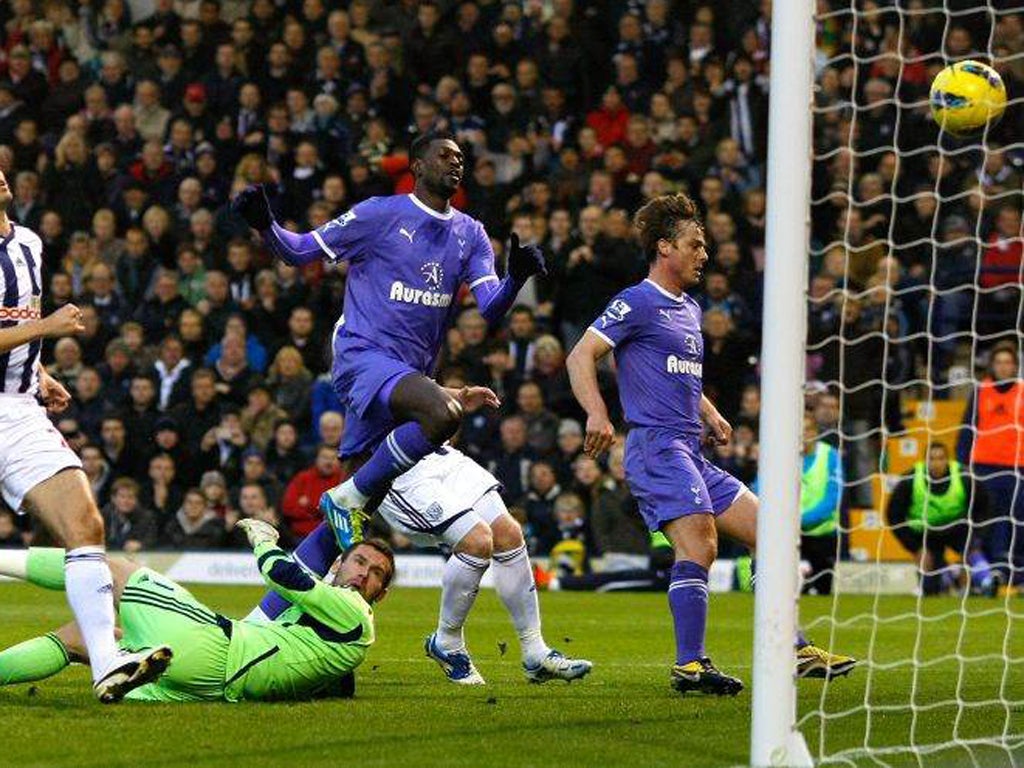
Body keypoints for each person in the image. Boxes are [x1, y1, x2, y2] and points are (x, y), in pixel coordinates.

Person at [566, 192, 856, 696]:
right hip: (656, 447)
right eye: (695, 245)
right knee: (700, 543)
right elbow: (580, 355)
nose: (705, 254)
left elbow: (681, 376)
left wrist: (710, 411)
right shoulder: (637, 300)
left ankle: (791, 647)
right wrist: (597, 412)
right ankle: (690, 664)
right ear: (664, 248)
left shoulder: (691, 309)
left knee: (771, 531)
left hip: (690, 450)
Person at [231, 130, 546, 550]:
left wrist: (515, 279)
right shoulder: (379, 215)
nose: (457, 162)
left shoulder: (470, 233)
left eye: (460, 157)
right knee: (444, 414)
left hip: (406, 378)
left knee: (346, 527)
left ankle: (271, 610)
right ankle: (348, 497)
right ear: (417, 166)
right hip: (362, 355)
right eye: (446, 155)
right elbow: (301, 251)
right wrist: (265, 225)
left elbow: (489, 306)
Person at [0, 169, 169, 702]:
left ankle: (105, 661)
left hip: (18, 410)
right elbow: (31, 324)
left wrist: (39, 372)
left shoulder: (28, 243)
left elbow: (16, 324)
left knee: (84, 523)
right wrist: (45, 328)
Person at [0, 522, 392, 702]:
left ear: (382, 594)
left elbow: (283, 575)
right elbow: (335, 684)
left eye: (376, 574)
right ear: (338, 563)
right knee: (82, 637)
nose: (363, 574)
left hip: (217, 648)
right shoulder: (347, 631)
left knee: (111, 568)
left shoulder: (354, 611)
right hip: (207, 686)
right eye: (359, 562)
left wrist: (264, 540)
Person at [374, 442, 592, 684]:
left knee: (508, 534)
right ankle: (447, 642)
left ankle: (535, 652)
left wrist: (461, 402)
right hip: (400, 465)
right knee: (476, 542)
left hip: (440, 454)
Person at [887, 443, 996, 596]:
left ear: (948, 460)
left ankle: (987, 581)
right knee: (931, 590)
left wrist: (976, 537)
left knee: (971, 549)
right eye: (931, 459)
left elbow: (984, 507)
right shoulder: (910, 479)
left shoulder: (964, 477)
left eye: (940, 458)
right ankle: (952, 577)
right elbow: (893, 516)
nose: (936, 463)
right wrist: (915, 547)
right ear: (925, 461)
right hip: (927, 533)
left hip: (957, 528)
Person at [957, 343, 1023, 588]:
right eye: (999, 362)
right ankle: (988, 575)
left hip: (1017, 469)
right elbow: (967, 429)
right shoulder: (981, 391)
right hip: (984, 468)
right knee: (987, 522)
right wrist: (962, 462)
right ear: (992, 365)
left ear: (1015, 366)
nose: (1004, 367)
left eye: (1008, 362)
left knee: (1016, 520)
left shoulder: (1023, 391)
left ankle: (1016, 574)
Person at [798, 411, 843, 595]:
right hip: (788, 539)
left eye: (807, 430)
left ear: (815, 432)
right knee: (790, 595)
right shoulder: (781, 456)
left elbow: (833, 498)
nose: (803, 435)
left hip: (822, 535)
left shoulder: (830, 455)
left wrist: (798, 520)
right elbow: (760, 488)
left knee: (822, 595)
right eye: (799, 430)